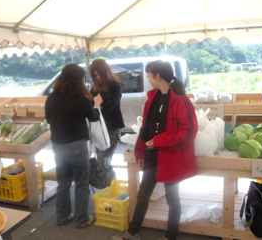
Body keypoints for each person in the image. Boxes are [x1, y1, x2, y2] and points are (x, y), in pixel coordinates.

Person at [113, 60, 198, 240]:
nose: (148, 80)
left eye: (149, 76)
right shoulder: (152, 99)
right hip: (153, 156)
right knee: (143, 194)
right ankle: (133, 232)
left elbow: (188, 132)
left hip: (170, 158)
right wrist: (140, 150)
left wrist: (159, 141)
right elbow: (145, 128)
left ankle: (171, 236)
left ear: (157, 76)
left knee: (172, 197)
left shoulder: (181, 101)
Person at [45, 63, 102, 228]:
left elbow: (48, 120)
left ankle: (62, 217)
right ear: (78, 80)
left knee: (62, 183)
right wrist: (97, 104)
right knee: (81, 183)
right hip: (77, 146)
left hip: (57, 146)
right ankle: (81, 219)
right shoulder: (81, 100)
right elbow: (94, 118)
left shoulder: (52, 97)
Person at [88, 58, 125, 187]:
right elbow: (92, 109)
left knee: (104, 161)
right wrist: (98, 105)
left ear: (105, 72)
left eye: (99, 75)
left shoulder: (116, 86)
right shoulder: (94, 88)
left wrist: (97, 104)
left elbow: (108, 109)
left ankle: (113, 188)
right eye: (95, 76)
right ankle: (112, 188)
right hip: (99, 129)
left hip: (112, 128)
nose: (97, 78)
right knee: (101, 161)